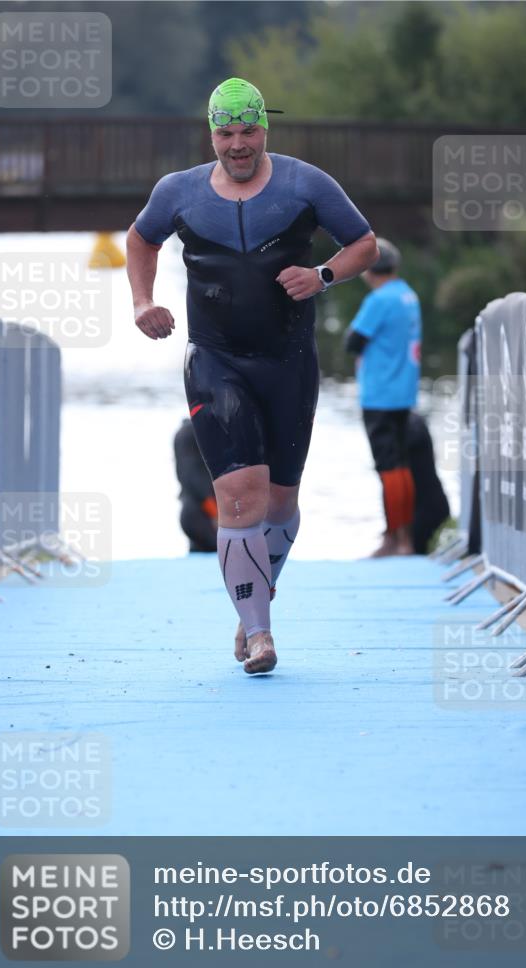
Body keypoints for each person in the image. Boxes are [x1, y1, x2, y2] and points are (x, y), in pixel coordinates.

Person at [126, 77, 377, 674]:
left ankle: (250, 607)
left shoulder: (305, 183)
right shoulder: (178, 192)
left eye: (247, 131)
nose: (237, 145)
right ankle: (261, 634)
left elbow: (364, 244)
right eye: (225, 133)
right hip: (215, 360)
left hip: (288, 362)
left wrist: (322, 275)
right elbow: (140, 240)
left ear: (265, 127)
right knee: (241, 495)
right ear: (211, 133)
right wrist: (142, 302)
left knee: (282, 503)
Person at [344, 238, 422, 557]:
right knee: (400, 464)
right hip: (403, 391)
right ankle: (405, 537)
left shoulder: (380, 300)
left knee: (387, 467)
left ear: (368, 269)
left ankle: (394, 537)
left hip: (379, 393)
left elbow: (353, 341)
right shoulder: (407, 295)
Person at [406, 411, 450, 554]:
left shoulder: (410, 426)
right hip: (429, 504)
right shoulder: (414, 422)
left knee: (416, 553)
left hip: (427, 509)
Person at [173, 418, 218, 553]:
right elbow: (193, 476)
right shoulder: (191, 432)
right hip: (201, 513)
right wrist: (216, 513)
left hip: (198, 511)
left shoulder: (188, 431)